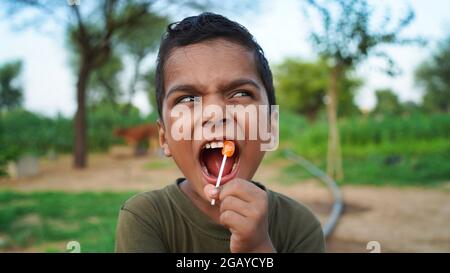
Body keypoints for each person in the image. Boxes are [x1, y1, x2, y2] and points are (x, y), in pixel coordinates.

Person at [115, 12, 325, 253]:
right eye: (187, 98)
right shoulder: (145, 219)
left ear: (270, 128)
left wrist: (258, 248)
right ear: (165, 138)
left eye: (240, 94)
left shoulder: (300, 227)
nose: (214, 113)